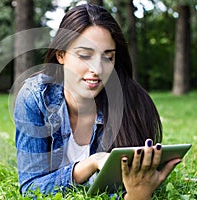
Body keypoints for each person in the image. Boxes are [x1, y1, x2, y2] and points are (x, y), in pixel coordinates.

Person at [13, 4, 181, 199]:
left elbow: (125, 187)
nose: (98, 68)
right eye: (85, 55)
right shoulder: (35, 97)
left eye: (108, 57)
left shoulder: (134, 104)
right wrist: (92, 163)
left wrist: (136, 195)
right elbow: (31, 187)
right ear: (60, 55)